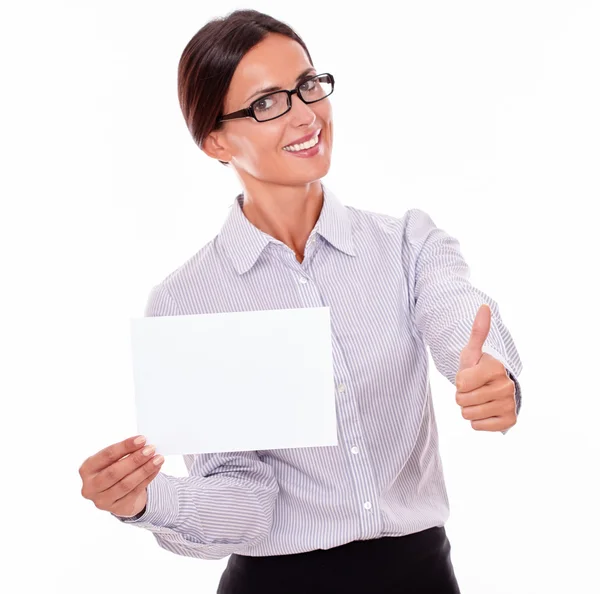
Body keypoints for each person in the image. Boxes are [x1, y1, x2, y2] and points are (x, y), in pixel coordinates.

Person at [79, 9, 523, 594]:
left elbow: (455, 313)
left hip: (420, 576)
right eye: (268, 103)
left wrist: (491, 372)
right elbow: (245, 501)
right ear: (216, 140)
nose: (306, 115)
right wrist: (144, 500)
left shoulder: (407, 244)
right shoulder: (186, 301)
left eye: (307, 86)